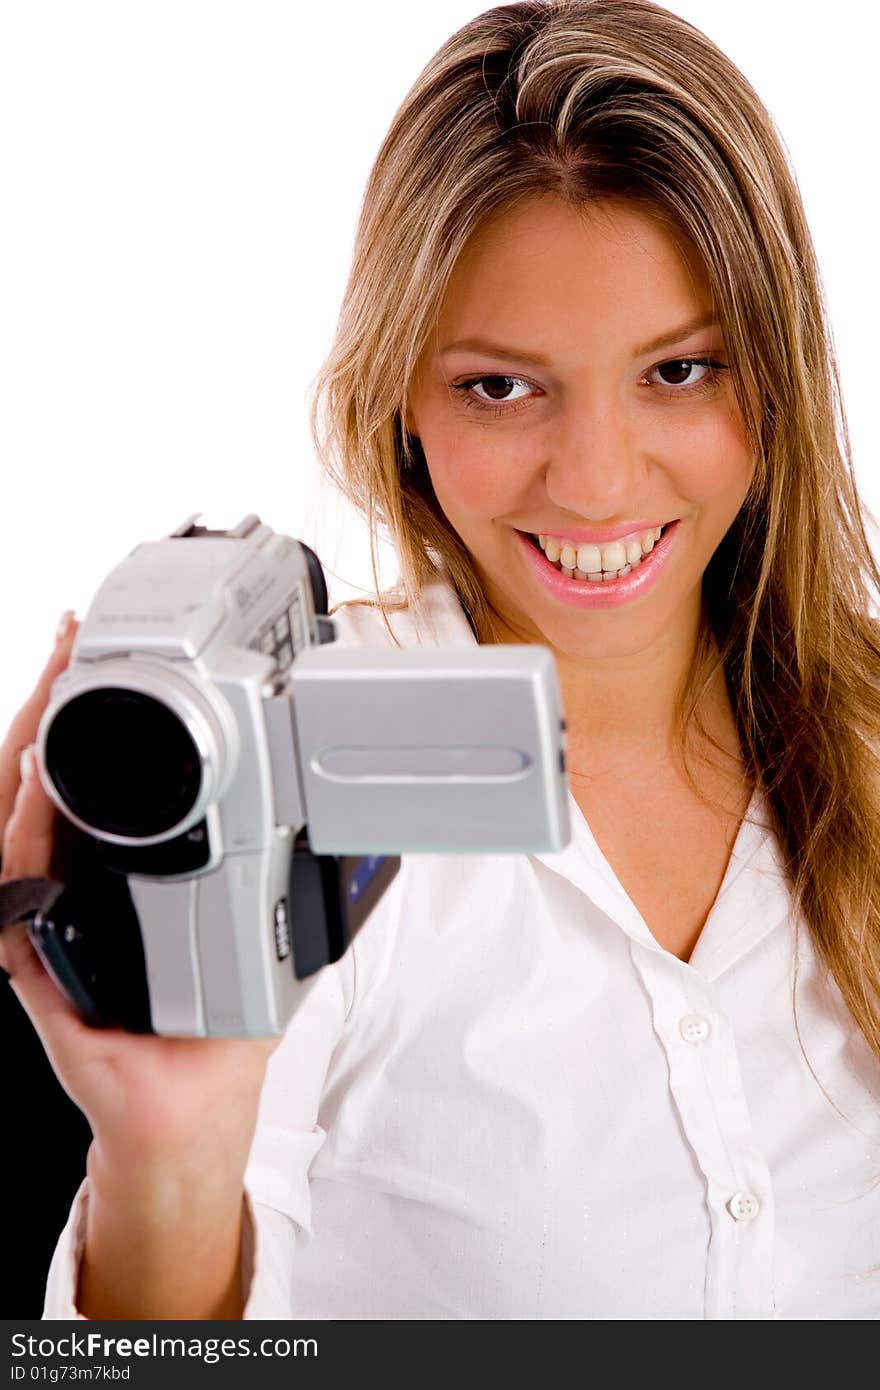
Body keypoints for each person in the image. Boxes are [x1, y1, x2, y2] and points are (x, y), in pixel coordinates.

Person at [2, 0, 880, 1320]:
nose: (595, 480)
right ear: (400, 395)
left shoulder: (864, 718)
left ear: (778, 371)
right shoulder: (288, 775)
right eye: (500, 386)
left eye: (680, 370)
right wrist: (169, 1154)